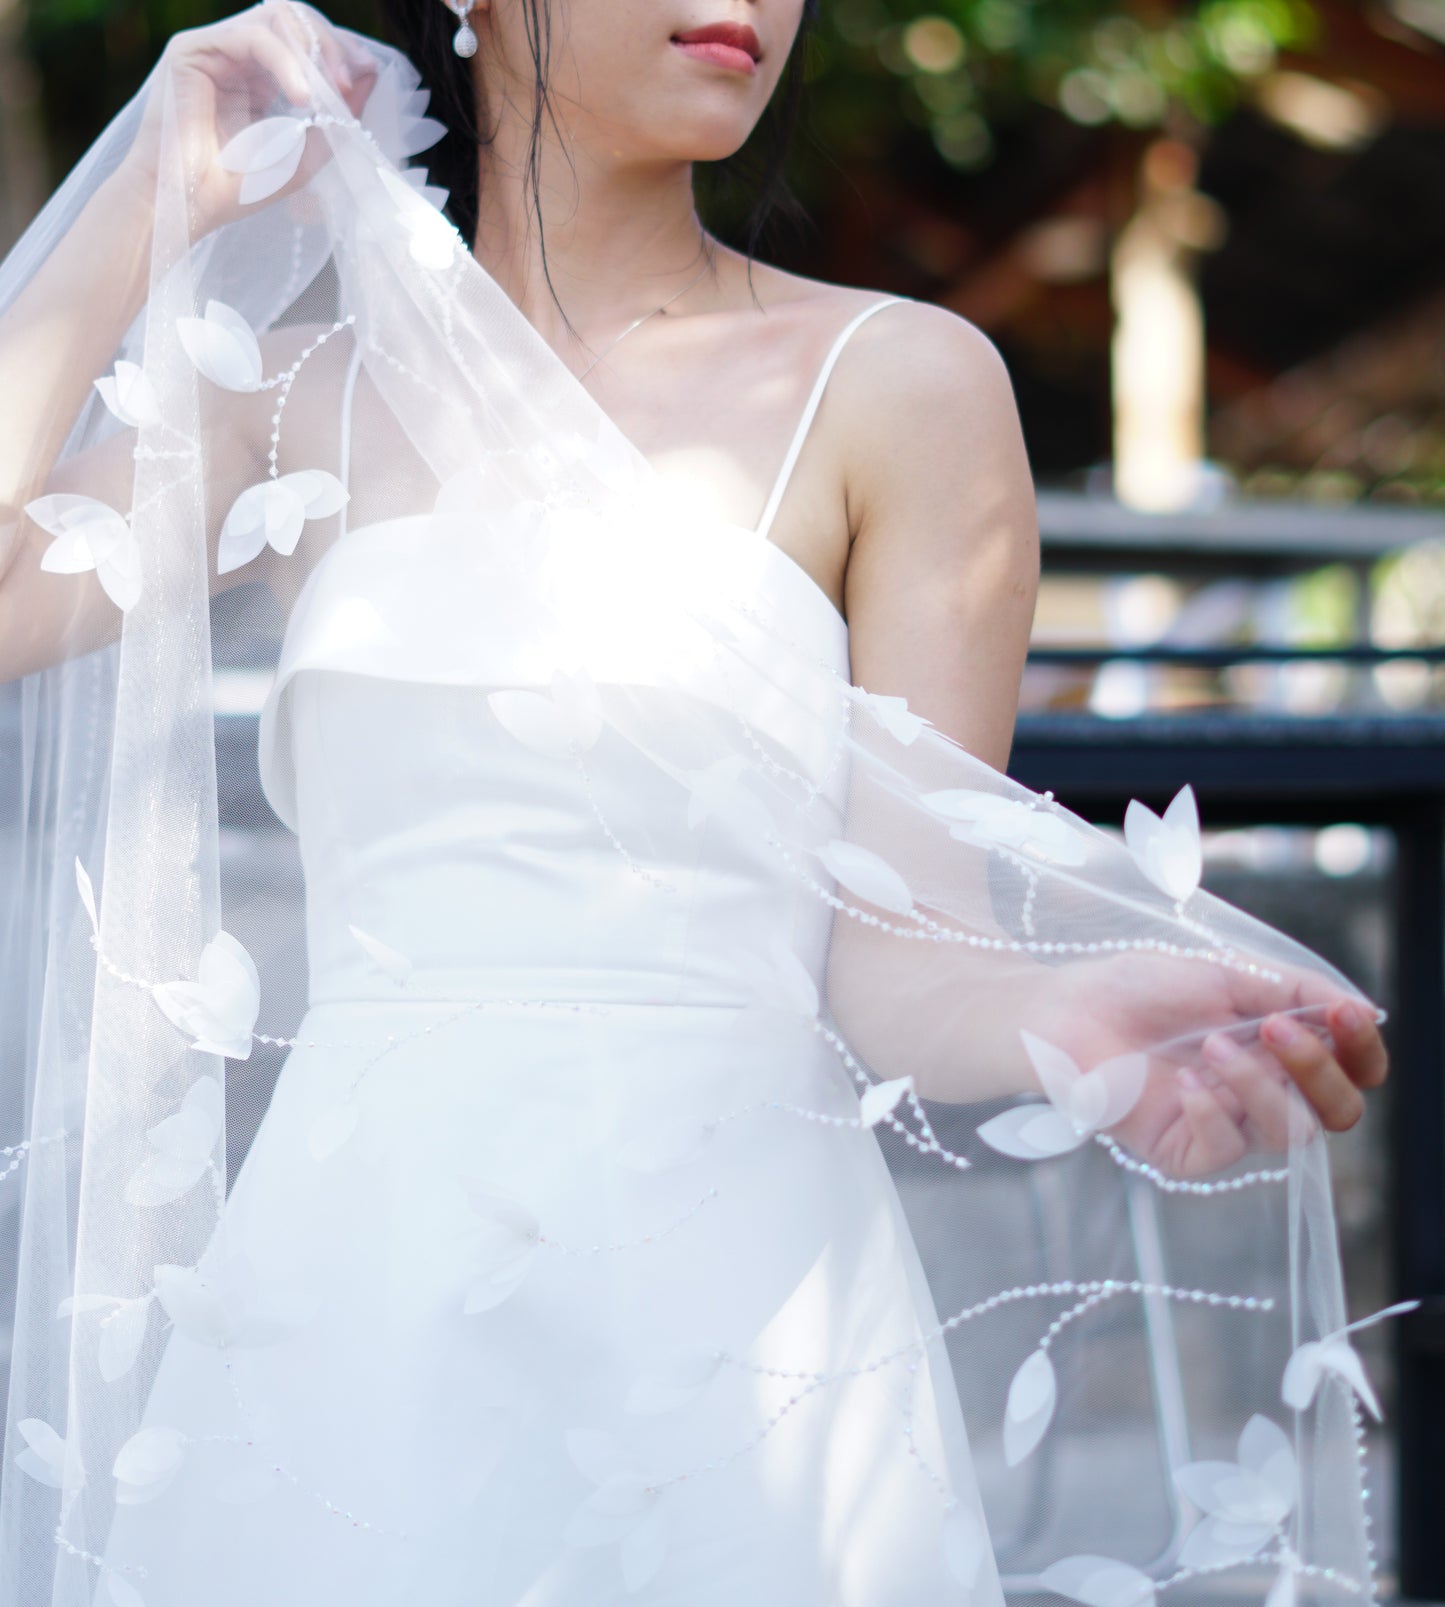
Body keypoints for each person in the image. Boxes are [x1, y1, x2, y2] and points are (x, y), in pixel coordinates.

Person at [0, 3, 1396, 1603]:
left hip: (740, 1312)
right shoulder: (295, 386)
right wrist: (148, 192)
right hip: (358, 1274)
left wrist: (1067, 1018)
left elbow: (890, 945)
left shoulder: (900, 381)